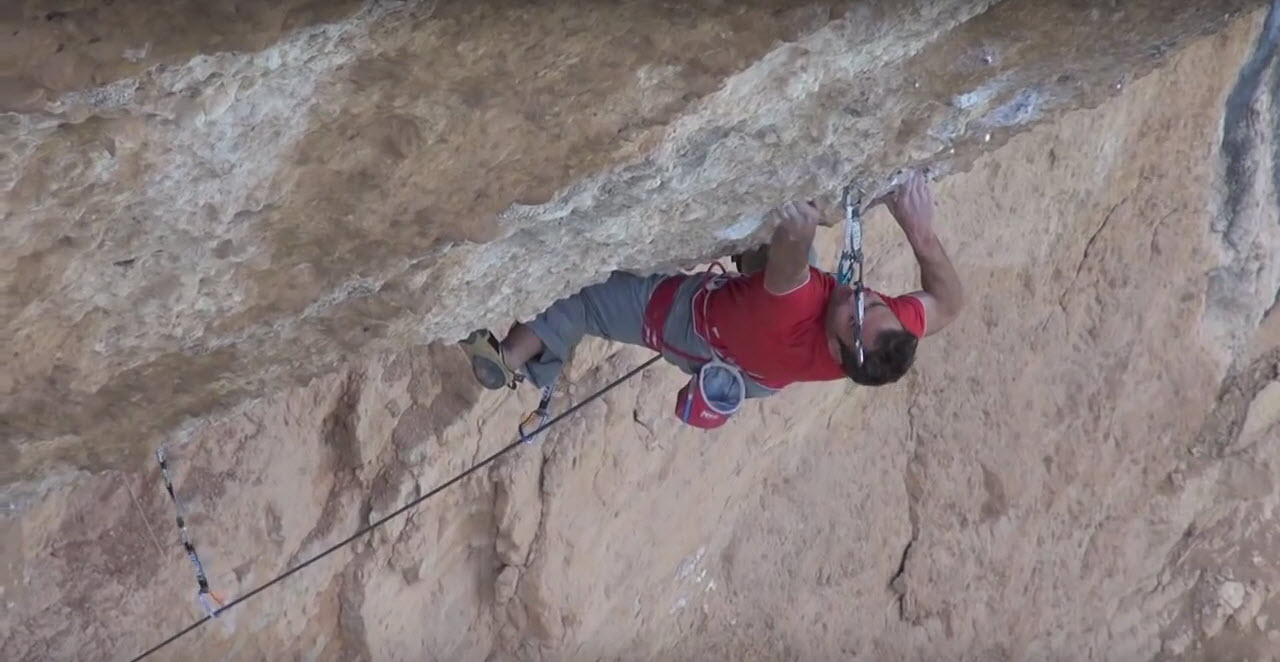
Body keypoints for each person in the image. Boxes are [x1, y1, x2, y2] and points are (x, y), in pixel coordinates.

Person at [460, 170, 964, 428]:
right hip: (762, 361)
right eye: (871, 303)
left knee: (586, 300)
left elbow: (789, 271)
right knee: (786, 255)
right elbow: (949, 305)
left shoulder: (795, 313)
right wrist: (920, 234)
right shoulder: (881, 335)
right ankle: (751, 259)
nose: (857, 300)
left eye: (854, 319)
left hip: (698, 329)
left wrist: (798, 228)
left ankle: (508, 359)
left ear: (838, 351)